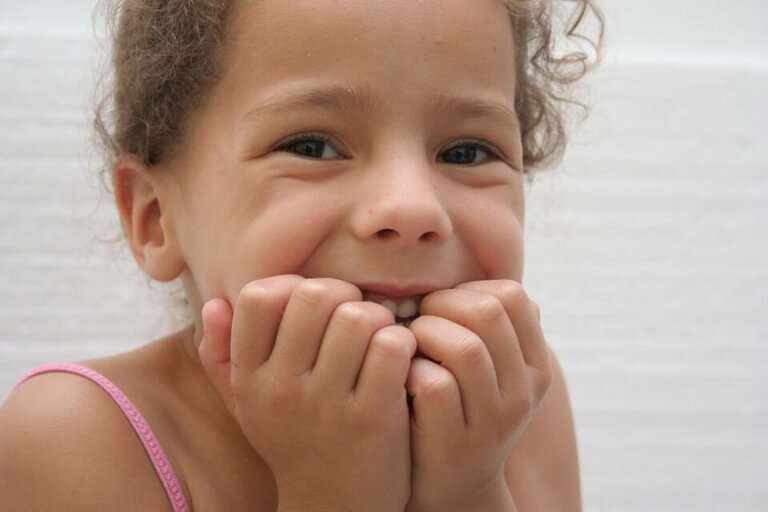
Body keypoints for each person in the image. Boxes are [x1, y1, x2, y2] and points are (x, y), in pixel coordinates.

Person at [0, 0, 602, 510]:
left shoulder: (514, 399)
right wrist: (332, 494)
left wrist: (471, 490)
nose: (411, 208)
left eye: (467, 153)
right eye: (312, 146)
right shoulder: (76, 434)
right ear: (156, 218)